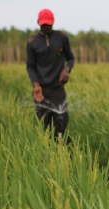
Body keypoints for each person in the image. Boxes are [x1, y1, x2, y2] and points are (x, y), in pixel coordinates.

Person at [26, 9, 74, 142]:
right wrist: (36, 85)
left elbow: (70, 58)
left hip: (58, 90)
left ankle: (67, 157)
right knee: (45, 131)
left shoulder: (61, 37)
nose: (46, 27)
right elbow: (30, 66)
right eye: (43, 24)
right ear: (38, 23)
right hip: (41, 92)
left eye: (49, 24)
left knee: (61, 128)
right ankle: (48, 159)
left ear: (53, 22)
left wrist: (66, 70)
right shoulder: (32, 41)